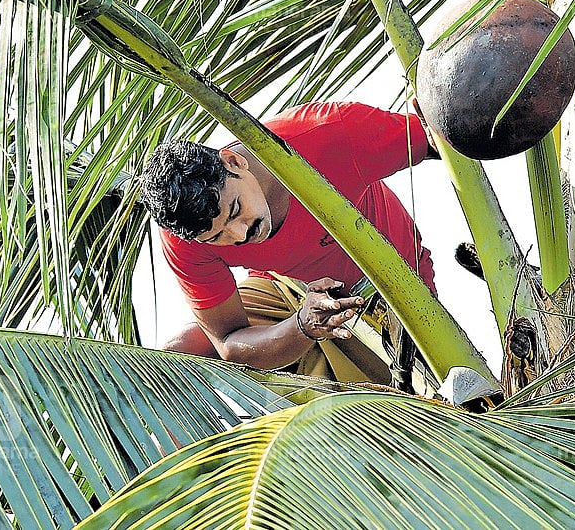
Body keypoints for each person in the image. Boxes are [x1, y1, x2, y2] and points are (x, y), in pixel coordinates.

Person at [140, 101, 437, 384]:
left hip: (396, 291)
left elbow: (437, 134)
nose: (241, 235)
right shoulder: (184, 239)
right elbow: (228, 342)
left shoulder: (328, 133)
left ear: (234, 162)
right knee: (176, 357)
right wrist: (303, 326)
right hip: (290, 291)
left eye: (235, 211)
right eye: (218, 237)